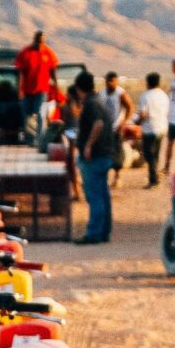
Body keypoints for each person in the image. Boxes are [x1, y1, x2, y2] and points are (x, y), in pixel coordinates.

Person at [73, 86, 113, 244]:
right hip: (104, 155)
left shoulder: (92, 104)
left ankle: (94, 233)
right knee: (103, 196)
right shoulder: (100, 101)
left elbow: (98, 124)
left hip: (94, 158)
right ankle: (104, 232)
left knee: (95, 197)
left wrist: (88, 145)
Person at [16, 29, 58, 148]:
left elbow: (54, 70)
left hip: (42, 90)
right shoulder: (25, 52)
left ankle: (40, 140)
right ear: (34, 40)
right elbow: (20, 73)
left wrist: (56, 86)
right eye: (38, 42)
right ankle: (30, 140)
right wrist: (20, 90)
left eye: (42, 42)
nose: (40, 44)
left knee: (40, 114)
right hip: (27, 90)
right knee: (27, 115)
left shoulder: (49, 53)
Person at [136, 73, 169, 187]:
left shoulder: (146, 96)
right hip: (162, 127)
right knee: (156, 153)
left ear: (148, 83)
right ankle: (154, 176)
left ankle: (153, 179)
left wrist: (137, 122)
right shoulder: (164, 95)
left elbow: (144, 114)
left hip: (149, 128)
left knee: (148, 154)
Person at [100, 70, 126, 186]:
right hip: (105, 128)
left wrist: (122, 122)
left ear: (116, 81)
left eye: (113, 81)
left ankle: (117, 176)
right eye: (108, 81)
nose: (110, 83)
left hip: (116, 127)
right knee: (104, 152)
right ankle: (104, 176)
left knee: (117, 152)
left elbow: (130, 107)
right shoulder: (102, 93)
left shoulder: (121, 93)